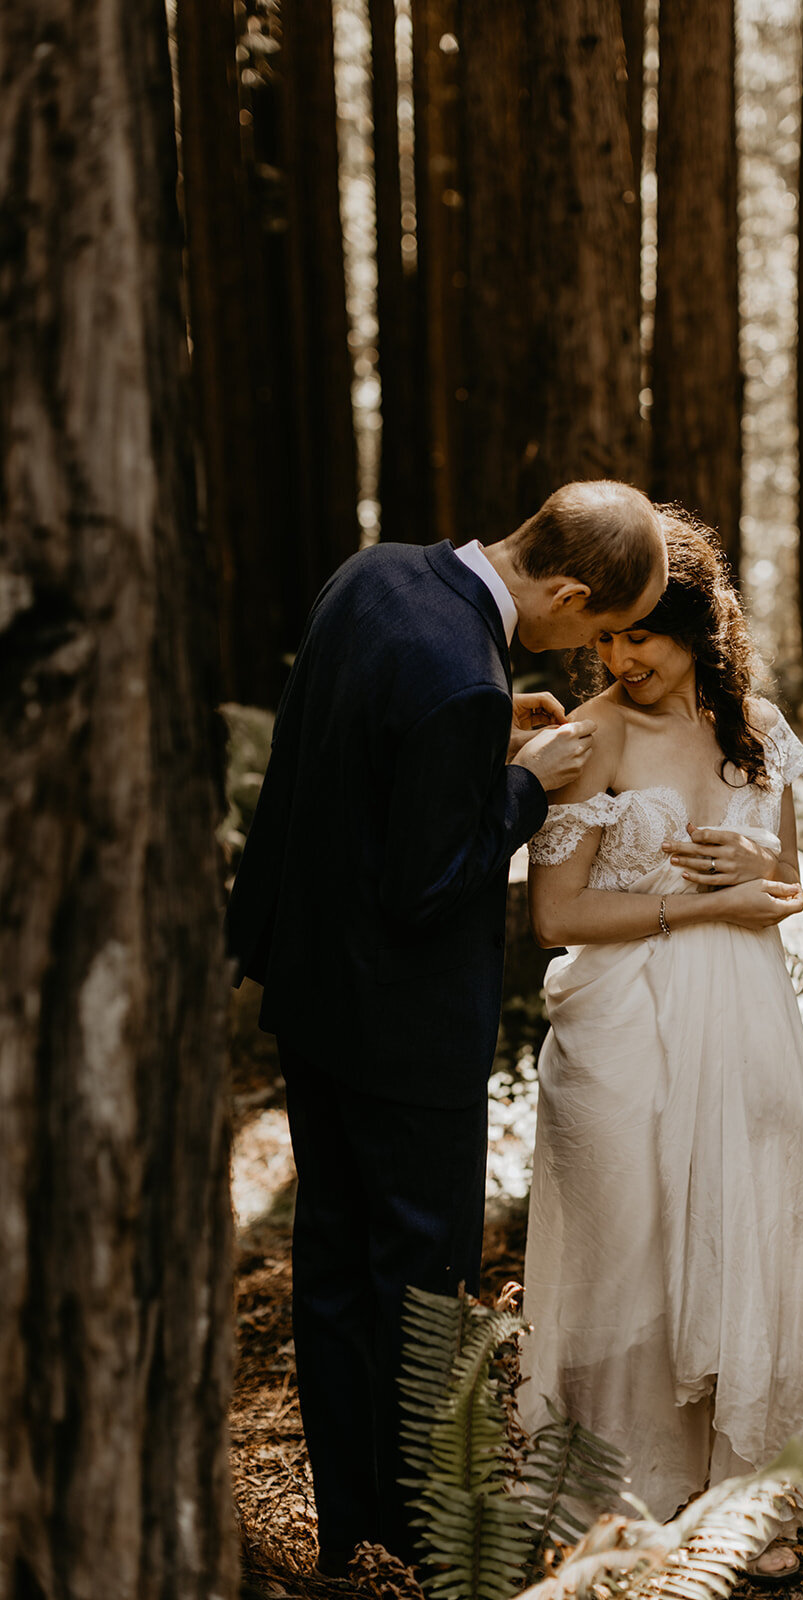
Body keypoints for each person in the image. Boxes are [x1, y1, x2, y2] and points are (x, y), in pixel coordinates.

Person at [225, 480, 667, 1574]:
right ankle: (426, 1548)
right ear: (564, 590)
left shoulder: (375, 572)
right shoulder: (464, 674)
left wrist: (478, 749)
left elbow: (356, 763)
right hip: (405, 1035)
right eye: (594, 628)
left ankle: (350, 1538)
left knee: (330, 1270)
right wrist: (518, 788)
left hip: (312, 992)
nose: (590, 652)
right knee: (422, 1294)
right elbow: (429, 887)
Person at [520, 509, 803, 1583]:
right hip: (622, 1025)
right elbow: (555, 916)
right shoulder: (593, 736)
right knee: (628, 1254)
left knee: (739, 1235)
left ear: (697, 629)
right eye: (608, 641)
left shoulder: (756, 726)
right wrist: (690, 906)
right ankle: (614, 1511)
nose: (618, 658)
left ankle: (735, 1510)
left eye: (640, 638)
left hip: (745, 1023)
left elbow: (788, 890)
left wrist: (744, 883)